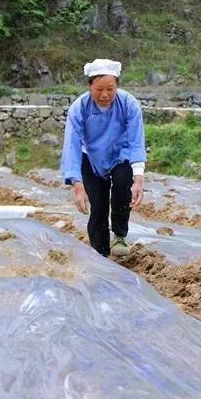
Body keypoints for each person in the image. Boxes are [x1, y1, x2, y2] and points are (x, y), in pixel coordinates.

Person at [60, 59, 146, 257]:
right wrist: (77, 185)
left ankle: (120, 235)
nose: (105, 94)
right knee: (97, 205)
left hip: (120, 155)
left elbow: (136, 141)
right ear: (90, 86)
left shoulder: (128, 104)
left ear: (117, 86)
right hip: (91, 157)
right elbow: (72, 146)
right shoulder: (79, 108)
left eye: (110, 88)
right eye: (99, 89)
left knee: (123, 186)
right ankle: (101, 254)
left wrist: (139, 179)